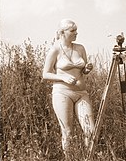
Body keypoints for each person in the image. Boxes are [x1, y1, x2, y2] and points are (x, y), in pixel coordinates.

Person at [42, 19, 95, 158]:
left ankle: (88, 158)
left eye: (76, 30)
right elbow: (45, 74)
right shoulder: (55, 49)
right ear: (62, 33)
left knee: (90, 130)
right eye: (72, 31)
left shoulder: (80, 48)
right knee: (68, 132)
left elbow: (83, 70)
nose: (76, 33)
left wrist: (87, 69)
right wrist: (63, 78)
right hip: (62, 93)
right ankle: (69, 158)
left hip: (81, 93)